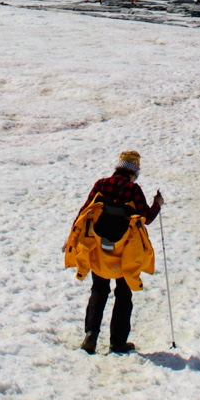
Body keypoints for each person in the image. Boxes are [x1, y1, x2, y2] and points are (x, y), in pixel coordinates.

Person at [64, 150, 162, 354]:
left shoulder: (101, 184)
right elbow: (147, 218)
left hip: (99, 250)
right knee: (123, 294)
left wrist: (71, 237)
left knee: (99, 291)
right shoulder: (133, 189)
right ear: (133, 171)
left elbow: (85, 210)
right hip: (125, 252)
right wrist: (157, 204)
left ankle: (91, 335)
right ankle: (117, 342)